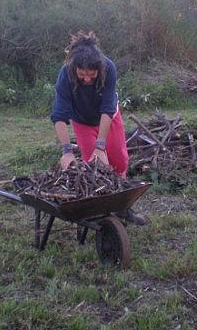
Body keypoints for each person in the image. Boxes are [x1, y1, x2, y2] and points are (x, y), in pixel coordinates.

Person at [50, 31, 146, 225]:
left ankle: (123, 208)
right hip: (82, 122)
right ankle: (97, 208)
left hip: (108, 118)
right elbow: (59, 114)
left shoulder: (108, 68)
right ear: (74, 67)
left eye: (91, 75)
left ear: (98, 68)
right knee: (93, 165)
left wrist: (100, 145)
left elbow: (107, 108)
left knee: (119, 160)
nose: (86, 79)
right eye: (82, 74)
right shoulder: (65, 74)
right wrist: (66, 151)